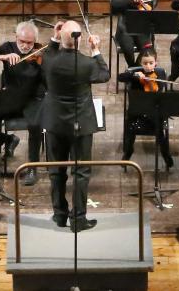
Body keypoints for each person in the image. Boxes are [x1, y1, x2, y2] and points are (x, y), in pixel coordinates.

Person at [41, 20, 109, 232]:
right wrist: (96, 49)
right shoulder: (87, 64)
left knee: (56, 171)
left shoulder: (50, 60)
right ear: (79, 41)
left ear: (61, 38)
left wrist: (55, 36)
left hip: (55, 123)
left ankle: (59, 214)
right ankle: (78, 219)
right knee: (81, 172)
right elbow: (104, 74)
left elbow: (49, 52)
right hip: (81, 124)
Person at [0, 21, 46, 183]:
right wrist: (2, 56)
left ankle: (32, 170)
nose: (26, 46)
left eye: (30, 43)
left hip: (33, 100)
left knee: (35, 125)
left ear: (35, 41)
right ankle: (8, 140)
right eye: (22, 42)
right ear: (16, 38)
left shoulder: (41, 53)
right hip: (11, 99)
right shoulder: (8, 47)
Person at [117, 47, 172, 169]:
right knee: (130, 128)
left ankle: (166, 155)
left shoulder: (160, 74)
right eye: (145, 63)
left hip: (155, 112)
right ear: (140, 63)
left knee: (160, 132)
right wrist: (132, 74)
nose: (148, 66)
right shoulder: (137, 76)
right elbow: (120, 77)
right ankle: (128, 152)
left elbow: (157, 88)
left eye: (151, 63)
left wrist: (149, 82)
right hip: (138, 112)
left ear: (155, 63)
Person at [111, 0, 156, 71]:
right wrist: (131, 1)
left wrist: (144, 5)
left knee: (148, 49)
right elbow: (114, 4)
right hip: (124, 30)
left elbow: (151, 7)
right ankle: (133, 68)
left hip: (140, 31)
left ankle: (134, 70)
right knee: (128, 48)